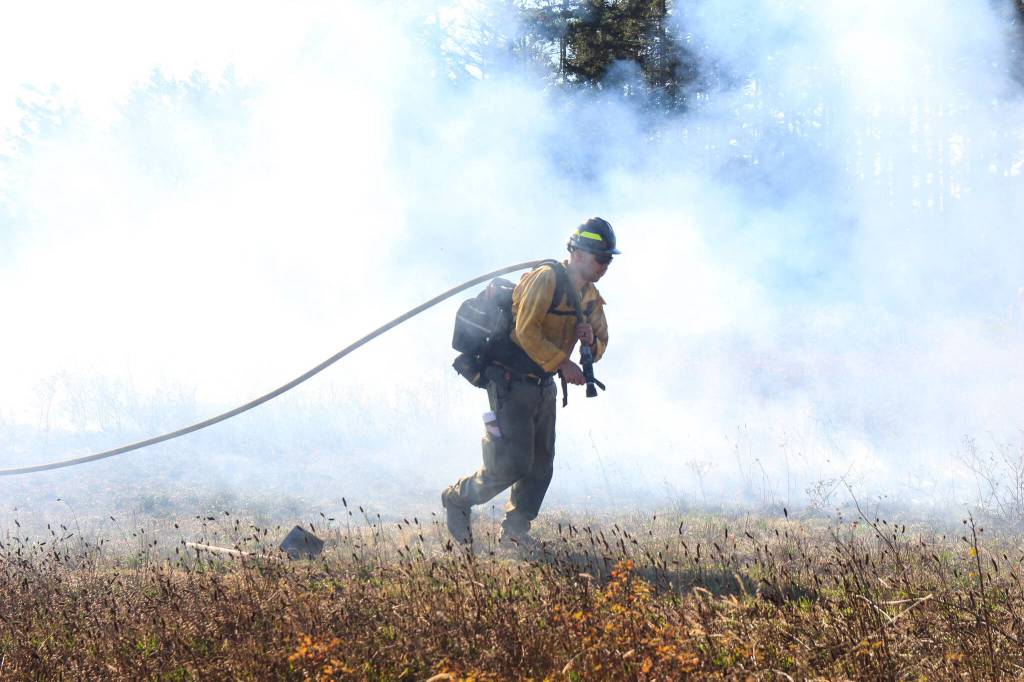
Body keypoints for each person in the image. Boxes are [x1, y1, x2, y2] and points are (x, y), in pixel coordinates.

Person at [441, 217, 620, 547]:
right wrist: (562, 362)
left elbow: (603, 343)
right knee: (512, 465)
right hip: (511, 383)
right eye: (600, 258)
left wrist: (591, 340)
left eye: (609, 259)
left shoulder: (590, 298)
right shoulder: (546, 279)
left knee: (541, 466)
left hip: (543, 386)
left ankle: (515, 532)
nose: (605, 265)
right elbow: (525, 331)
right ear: (578, 253)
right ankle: (458, 498)